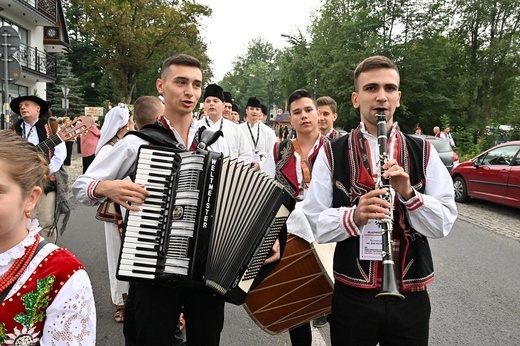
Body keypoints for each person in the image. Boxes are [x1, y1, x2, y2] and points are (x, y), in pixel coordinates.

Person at [73, 54, 231, 346]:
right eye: (180, 82)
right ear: (161, 85)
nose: (190, 91)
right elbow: (81, 187)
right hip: (152, 266)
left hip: (205, 268)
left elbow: (232, 196)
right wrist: (108, 187)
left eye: (196, 85)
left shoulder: (215, 141)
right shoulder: (139, 142)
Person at [302, 55, 458, 345]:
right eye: (371, 88)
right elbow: (314, 220)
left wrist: (410, 196)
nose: (381, 97)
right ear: (356, 98)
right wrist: (355, 216)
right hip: (353, 295)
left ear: (398, 97)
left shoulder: (423, 150)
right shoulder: (332, 151)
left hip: (410, 297)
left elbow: (444, 221)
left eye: (389, 88)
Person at [0, 130, 96, 345]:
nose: (24, 108)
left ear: (29, 198)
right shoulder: (16, 126)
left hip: (47, 186)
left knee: (48, 222)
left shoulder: (64, 276)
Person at [263, 89, 328, 346]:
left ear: (318, 113)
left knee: (333, 301)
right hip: (290, 234)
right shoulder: (279, 150)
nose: (303, 116)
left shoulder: (334, 150)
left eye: (308, 110)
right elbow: (266, 192)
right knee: (297, 303)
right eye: (297, 112)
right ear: (290, 118)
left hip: (327, 232)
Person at [9, 95, 66, 243]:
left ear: (37, 108)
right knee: (24, 221)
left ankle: (47, 254)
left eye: (26, 104)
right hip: (21, 183)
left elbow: (60, 154)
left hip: (45, 181)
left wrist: (45, 172)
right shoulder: (14, 131)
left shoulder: (52, 127)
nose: (22, 107)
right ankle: (26, 253)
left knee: (47, 221)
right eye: (21, 106)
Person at [197, 83, 252, 164]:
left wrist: (232, 167)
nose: (211, 104)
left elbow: (246, 154)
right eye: (208, 101)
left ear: (223, 104)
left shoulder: (235, 129)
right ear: (204, 105)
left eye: (215, 101)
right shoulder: (196, 127)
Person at [240, 96, 278, 170]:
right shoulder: (239, 129)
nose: (254, 111)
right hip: (243, 168)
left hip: (263, 169)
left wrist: (260, 164)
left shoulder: (268, 132)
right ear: (247, 111)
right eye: (251, 109)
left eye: (257, 109)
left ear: (260, 112)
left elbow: (272, 154)